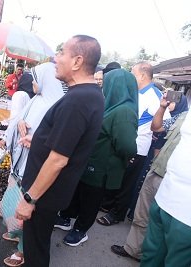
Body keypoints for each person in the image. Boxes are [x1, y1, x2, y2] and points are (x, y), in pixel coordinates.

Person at [14, 35, 104, 267]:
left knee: (35, 251)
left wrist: (29, 198)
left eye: (62, 53)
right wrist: (41, 141)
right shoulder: (87, 95)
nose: (56, 58)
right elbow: (69, 141)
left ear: (77, 61)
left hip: (44, 195)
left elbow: (58, 160)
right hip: (52, 192)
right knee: (38, 244)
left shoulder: (78, 100)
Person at [55, 69, 138, 246]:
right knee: (79, 192)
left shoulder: (124, 111)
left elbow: (126, 145)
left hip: (103, 166)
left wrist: (127, 156)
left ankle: (81, 229)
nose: (102, 85)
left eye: (106, 83)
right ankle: (66, 218)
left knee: (91, 199)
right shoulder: (110, 105)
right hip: (90, 161)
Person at [0, 62, 64, 267]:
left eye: (36, 78)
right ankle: (19, 236)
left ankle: (23, 251)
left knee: (29, 208)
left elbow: (54, 144)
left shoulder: (55, 105)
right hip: (23, 160)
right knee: (17, 202)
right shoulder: (37, 99)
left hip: (35, 163)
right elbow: (21, 119)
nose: (33, 82)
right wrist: (20, 123)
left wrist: (32, 137)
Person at [110, 94, 188, 262]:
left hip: (175, 183)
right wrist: (162, 107)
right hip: (157, 170)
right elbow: (156, 127)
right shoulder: (183, 117)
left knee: (170, 232)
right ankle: (133, 249)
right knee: (143, 213)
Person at [97, 61, 170, 226]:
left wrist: (152, 136)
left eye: (133, 73)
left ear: (143, 75)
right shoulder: (138, 92)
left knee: (127, 183)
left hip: (138, 147)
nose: (130, 76)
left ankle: (117, 214)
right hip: (124, 141)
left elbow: (164, 125)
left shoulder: (154, 95)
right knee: (117, 177)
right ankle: (108, 206)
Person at [140, 111, 191, 267]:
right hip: (164, 198)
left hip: (186, 216)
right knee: (150, 257)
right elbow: (158, 127)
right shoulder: (186, 113)